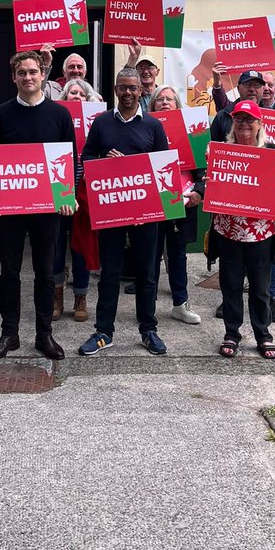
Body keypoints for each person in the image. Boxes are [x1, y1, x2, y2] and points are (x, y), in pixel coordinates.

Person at [0, 51, 76, 362]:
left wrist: (68, 197)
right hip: (9, 209)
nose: (28, 77)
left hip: (47, 209)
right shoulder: (0, 115)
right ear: (14, 77)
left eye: (33, 72)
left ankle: (43, 334)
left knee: (45, 273)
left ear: (43, 75)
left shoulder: (60, 115)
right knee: (9, 272)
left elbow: (70, 159)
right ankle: (9, 334)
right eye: (22, 72)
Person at [79, 68, 170, 356]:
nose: (128, 93)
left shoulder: (153, 125)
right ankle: (103, 331)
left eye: (133, 88)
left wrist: (135, 164)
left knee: (147, 272)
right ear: (116, 90)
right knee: (110, 272)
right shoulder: (102, 122)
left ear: (141, 91)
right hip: (112, 208)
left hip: (146, 210)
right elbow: (86, 157)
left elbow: (164, 165)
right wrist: (104, 162)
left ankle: (148, 330)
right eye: (122, 88)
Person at [197, 101, 275, 359]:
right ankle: (232, 333)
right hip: (228, 230)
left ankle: (263, 334)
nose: (244, 123)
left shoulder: (272, 152)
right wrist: (209, 182)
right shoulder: (219, 151)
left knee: (260, 287)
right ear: (232, 122)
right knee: (230, 285)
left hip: (260, 232)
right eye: (239, 118)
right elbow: (209, 182)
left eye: (249, 119)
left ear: (259, 123)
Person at [148, 85, 202, 325]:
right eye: (160, 99)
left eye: (169, 99)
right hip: (152, 200)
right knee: (150, 254)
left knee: (178, 255)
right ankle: (147, 305)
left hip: (183, 202)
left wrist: (199, 191)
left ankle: (181, 303)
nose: (165, 102)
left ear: (177, 105)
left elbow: (202, 168)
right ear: (153, 105)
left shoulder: (189, 132)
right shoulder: (144, 127)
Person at [53, 78, 101, 322]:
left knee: (81, 247)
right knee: (56, 247)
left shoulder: (97, 121)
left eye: (82, 94)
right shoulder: (56, 117)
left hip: (85, 195)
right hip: (58, 191)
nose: (77, 97)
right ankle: (56, 295)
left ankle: (80, 296)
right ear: (65, 97)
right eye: (72, 93)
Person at [123, 40, 159, 110]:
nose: (145, 71)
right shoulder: (133, 94)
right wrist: (133, 58)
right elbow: (124, 80)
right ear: (136, 72)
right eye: (141, 68)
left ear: (157, 72)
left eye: (149, 68)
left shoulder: (162, 94)